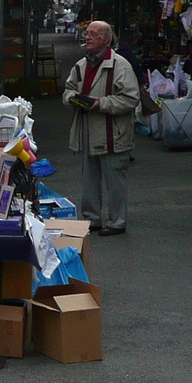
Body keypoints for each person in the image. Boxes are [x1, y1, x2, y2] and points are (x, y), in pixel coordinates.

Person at [63, 21, 140, 236]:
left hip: (112, 133)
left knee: (115, 179)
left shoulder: (120, 65)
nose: (87, 37)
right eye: (87, 34)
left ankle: (117, 221)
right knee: (89, 179)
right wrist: (72, 99)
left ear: (106, 39)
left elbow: (130, 99)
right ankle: (92, 219)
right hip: (87, 131)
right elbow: (68, 90)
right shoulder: (81, 65)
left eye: (94, 34)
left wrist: (100, 104)